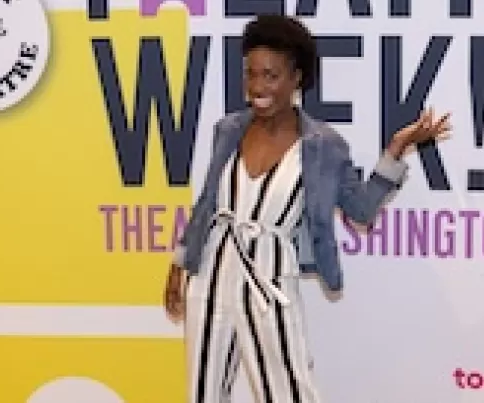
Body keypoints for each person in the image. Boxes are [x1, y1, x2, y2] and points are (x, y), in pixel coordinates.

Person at [163, 14, 452, 403]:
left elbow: (361, 211)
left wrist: (395, 152)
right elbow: (207, 203)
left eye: (271, 75)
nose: (257, 87)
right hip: (211, 275)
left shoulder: (323, 146)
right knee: (203, 392)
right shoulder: (228, 129)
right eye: (250, 74)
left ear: (297, 77)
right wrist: (180, 263)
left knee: (290, 392)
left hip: (269, 280)